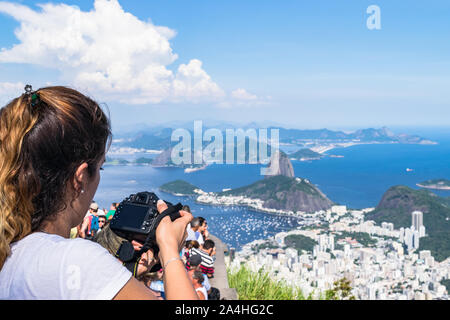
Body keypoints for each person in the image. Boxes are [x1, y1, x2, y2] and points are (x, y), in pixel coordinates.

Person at [0, 85, 197, 300]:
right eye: (100, 167)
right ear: (81, 177)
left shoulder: (11, 252)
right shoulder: (75, 261)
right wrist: (170, 251)